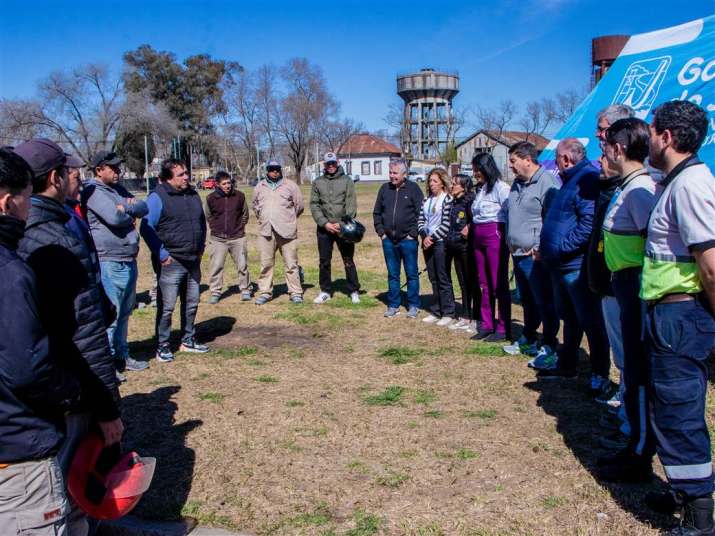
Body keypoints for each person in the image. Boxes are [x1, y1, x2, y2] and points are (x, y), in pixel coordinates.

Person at [13, 138, 123, 441]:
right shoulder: (58, 241)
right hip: (69, 384)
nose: (75, 178)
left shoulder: (14, 233)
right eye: (70, 172)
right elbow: (85, 334)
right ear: (54, 178)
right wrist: (108, 408)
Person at [639, 101, 715, 534]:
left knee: (680, 411)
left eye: (652, 131)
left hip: (680, 314)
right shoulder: (676, 182)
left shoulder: (690, 186)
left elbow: (710, 264)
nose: (648, 139)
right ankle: (681, 488)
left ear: (667, 137)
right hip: (667, 311)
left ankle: (699, 516)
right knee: (667, 408)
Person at [0, 148, 82, 536]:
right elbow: (27, 369)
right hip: (18, 457)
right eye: (23, 198)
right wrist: (69, 391)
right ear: (7, 201)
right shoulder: (11, 274)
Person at [594, 117, 660, 483]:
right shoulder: (629, 186)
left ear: (618, 150)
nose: (603, 152)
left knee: (635, 369)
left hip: (634, 287)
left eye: (606, 147)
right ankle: (634, 441)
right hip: (622, 284)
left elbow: (655, 243)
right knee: (629, 366)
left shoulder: (638, 191)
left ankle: (639, 450)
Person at [538, 138, 611, 390]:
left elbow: (588, 224)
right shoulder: (569, 180)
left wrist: (560, 248)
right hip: (560, 265)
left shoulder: (586, 179)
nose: (555, 164)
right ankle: (567, 366)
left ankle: (600, 374)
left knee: (590, 321)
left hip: (575, 266)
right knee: (569, 318)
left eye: (557, 159)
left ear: (566, 159)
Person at [83, 150, 149, 373]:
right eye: (112, 167)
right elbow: (114, 217)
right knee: (112, 313)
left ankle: (122, 355)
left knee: (125, 312)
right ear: (99, 170)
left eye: (118, 167)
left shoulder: (118, 189)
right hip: (109, 261)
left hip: (128, 258)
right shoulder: (93, 191)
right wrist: (128, 210)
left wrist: (127, 207)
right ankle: (108, 364)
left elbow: (143, 207)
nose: (118, 171)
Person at [140, 158, 208, 362]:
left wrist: (201, 246)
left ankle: (188, 339)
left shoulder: (193, 194)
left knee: (192, 302)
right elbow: (146, 227)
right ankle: (162, 345)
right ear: (168, 178)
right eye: (181, 174)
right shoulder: (157, 197)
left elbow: (201, 223)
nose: (186, 177)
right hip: (171, 260)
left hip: (192, 258)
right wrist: (161, 253)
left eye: (186, 172)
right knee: (167, 306)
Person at [584, 153, 631, 451]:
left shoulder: (634, 191)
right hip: (609, 283)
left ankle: (630, 418)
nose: (600, 160)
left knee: (629, 353)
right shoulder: (610, 190)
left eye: (607, 154)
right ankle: (626, 408)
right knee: (621, 352)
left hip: (626, 285)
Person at [504, 141, 560, 360]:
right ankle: (529, 338)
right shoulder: (516, 184)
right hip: (517, 253)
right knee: (526, 299)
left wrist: (539, 248)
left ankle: (549, 344)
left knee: (544, 301)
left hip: (534, 256)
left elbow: (552, 220)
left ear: (528, 160)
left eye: (513, 160)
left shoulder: (547, 182)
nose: (510, 165)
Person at [372, 158, 424, 318]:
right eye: (390, 172)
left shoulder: (414, 189)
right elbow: (377, 213)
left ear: (404, 174)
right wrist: (382, 233)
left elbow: (421, 214)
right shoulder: (384, 189)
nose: (392, 176)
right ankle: (393, 305)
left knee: (411, 273)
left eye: (395, 173)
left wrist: (412, 234)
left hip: (408, 240)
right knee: (393, 274)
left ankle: (413, 305)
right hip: (389, 240)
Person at [470, 153, 511, 341]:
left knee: (497, 283)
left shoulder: (501, 188)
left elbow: (510, 211)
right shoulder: (482, 189)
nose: (474, 173)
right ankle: (487, 323)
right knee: (484, 282)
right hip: (478, 234)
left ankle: (503, 327)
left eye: (477, 169)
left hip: (494, 233)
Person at [310, 152, 360, 304]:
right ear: (324, 165)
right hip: (324, 228)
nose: (330, 166)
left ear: (337, 163)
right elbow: (314, 204)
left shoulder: (347, 181)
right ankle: (325, 290)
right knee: (324, 260)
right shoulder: (317, 182)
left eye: (333, 163)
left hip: (343, 228)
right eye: (328, 164)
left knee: (348, 259)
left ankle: (353, 290)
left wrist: (342, 224)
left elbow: (351, 206)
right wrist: (324, 223)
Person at [252, 160, 305, 304]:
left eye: (277, 169)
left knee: (291, 264)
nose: (274, 172)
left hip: (287, 231)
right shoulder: (259, 186)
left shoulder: (291, 186)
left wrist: (287, 219)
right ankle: (265, 292)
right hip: (266, 231)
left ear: (280, 170)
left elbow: (299, 206)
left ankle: (295, 292)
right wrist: (265, 218)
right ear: (267, 171)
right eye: (271, 169)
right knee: (266, 264)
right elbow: (255, 206)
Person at [206, 171, 251, 304]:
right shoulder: (210, 198)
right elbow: (208, 216)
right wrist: (215, 227)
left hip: (237, 237)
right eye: (224, 183)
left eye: (229, 183)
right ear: (218, 184)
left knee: (242, 265)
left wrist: (240, 228)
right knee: (216, 266)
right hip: (218, 239)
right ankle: (215, 291)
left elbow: (245, 214)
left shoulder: (240, 196)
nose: (227, 186)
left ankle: (245, 289)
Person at [418, 167, 455, 326]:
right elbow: (420, 220)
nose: (431, 184)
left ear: (442, 183)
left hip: (441, 242)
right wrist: (424, 236)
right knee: (433, 277)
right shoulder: (426, 200)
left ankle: (448, 312)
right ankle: (436, 310)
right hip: (427, 242)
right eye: (430, 181)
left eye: (435, 181)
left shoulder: (447, 199)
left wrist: (432, 238)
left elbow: (446, 224)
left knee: (443, 277)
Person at [445, 173, 477, 332]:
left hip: (467, 248)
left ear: (464, 187)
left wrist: (469, 227)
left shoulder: (470, 201)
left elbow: (476, 220)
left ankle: (476, 316)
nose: (451, 186)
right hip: (454, 246)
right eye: (452, 183)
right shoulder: (454, 202)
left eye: (455, 183)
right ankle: (465, 315)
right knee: (463, 283)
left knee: (472, 283)